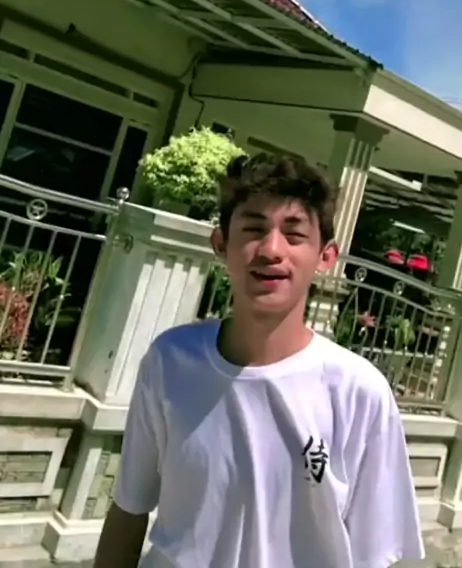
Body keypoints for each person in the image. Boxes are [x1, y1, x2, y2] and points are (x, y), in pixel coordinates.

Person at [93, 152, 425, 568]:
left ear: (325, 257)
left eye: (294, 234)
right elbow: (129, 508)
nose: (271, 250)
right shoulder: (170, 360)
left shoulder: (358, 391)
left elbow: (377, 554)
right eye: (253, 229)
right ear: (221, 244)